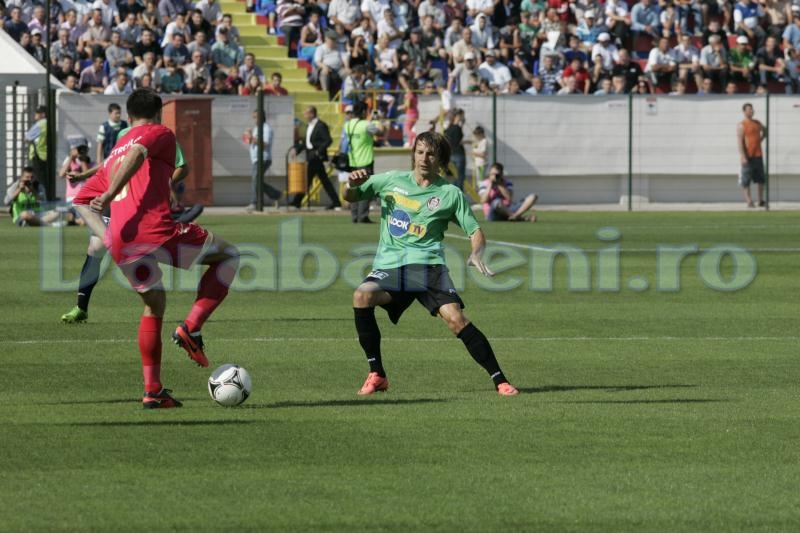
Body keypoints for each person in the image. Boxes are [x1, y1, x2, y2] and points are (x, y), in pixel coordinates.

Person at [73, 88, 238, 408]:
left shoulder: (116, 150)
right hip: (156, 232)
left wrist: (107, 235)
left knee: (154, 305)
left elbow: (80, 199)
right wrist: (109, 195)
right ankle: (191, 328)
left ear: (128, 116)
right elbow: (138, 154)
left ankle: (153, 391)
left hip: (123, 242)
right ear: (158, 113)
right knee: (229, 256)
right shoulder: (159, 132)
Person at [343, 131, 519, 397]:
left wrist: (477, 252)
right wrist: (350, 184)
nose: (424, 158)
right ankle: (377, 374)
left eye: (431, 154)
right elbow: (350, 196)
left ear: (441, 160)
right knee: (361, 295)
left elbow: (475, 231)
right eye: (420, 152)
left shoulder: (450, 194)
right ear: (414, 154)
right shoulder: (391, 180)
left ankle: (500, 381)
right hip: (392, 267)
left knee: (456, 320)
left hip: (429, 268)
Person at [61, 121, 201, 324]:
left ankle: (153, 303)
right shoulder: (124, 134)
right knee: (95, 249)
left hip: (140, 208)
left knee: (128, 250)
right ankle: (81, 307)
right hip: (116, 202)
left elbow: (183, 168)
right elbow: (109, 164)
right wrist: (83, 175)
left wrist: (166, 183)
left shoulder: (161, 137)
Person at [289, 106, 341, 210]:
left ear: (312, 114)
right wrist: (297, 150)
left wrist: (318, 151)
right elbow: (307, 142)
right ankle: (336, 202)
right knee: (321, 180)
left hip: (317, 157)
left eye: (306, 113)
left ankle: (297, 201)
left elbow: (328, 140)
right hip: (311, 156)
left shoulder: (320, 125)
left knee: (308, 179)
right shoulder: (309, 126)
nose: (304, 115)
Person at [343, 101, 384, 223]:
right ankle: (363, 216)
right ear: (363, 111)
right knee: (366, 188)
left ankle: (354, 215)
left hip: (353, 161)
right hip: (365, 160)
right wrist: (378, 120)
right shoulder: (367, 124)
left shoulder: (348, 124)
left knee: (354, 187)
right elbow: (380, 132)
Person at [244, 110, 282, 211]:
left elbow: (265, 143)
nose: (254, 119)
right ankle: (276, 194)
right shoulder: (256, 128)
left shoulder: (265, 128)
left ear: (261, 117)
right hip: (256, 159)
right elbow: (251, 141)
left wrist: (252, 137)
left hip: (263, 158)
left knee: (256, 180)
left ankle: (254, 202)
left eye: (255, 117)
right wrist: (249, 136)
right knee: (257, 181)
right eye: (253, 117)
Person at [737, 102, 767, 208]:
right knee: (746, 179)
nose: (751, 111)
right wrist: (743, 156)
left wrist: (760, 140)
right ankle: (749, 201)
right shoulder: (742, 125)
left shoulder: (757, 123)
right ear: (744, 111)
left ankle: (760, 200)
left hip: (758, 155)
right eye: (749, 109)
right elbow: (740, 142)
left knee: (761, 179)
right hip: (748, 156)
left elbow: (765, 131)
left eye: (752, 109)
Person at [25, 105, 48, 191]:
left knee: (36, 180)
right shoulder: (50, 124)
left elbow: (27, 138)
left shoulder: (40, 124)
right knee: (46, 180)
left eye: (38, 112)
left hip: (38, 155)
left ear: (43, 114)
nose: (35, 114)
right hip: (47, 155)